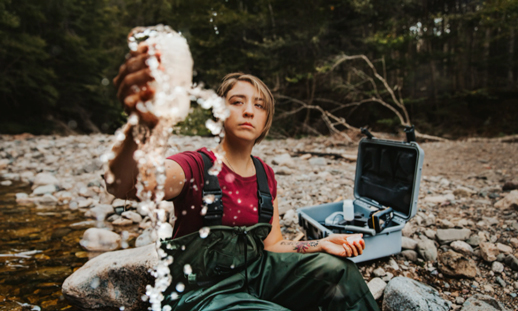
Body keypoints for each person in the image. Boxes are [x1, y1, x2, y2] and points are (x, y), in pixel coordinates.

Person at [108, 43, 380, 311]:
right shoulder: (195, 166)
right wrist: (139, 125)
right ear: (219, 112)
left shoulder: (266, 175)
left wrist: (320, 244)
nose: (249, 110)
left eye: (259, 105)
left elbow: (273, 244)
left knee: (338, 270)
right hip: (202, 295)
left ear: (265, 121)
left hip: (257, 278)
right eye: (237, 102)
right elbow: (125, 185)